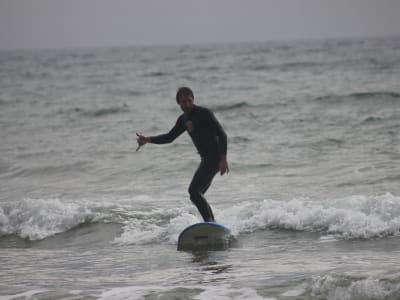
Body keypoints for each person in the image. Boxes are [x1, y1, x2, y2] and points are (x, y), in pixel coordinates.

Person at [136, 87, 229, 222]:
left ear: (193, 100)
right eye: (183, 102)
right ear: (178, 103)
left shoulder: (204, 113)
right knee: (196, 195)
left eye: (189, 101)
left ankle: (210, 221)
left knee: (194, 191)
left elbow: (222, 134)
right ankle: (212, 223)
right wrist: (148, 139)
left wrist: (223, 159)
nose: (186, 104)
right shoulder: (183, 119)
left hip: (214, 156)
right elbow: (170, 137)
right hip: (205, 158)